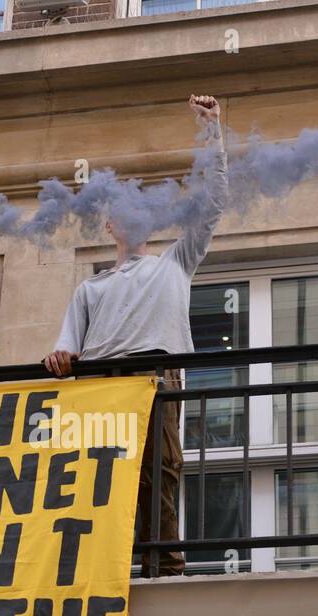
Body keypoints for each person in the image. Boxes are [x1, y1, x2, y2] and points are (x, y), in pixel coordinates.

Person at [44, 94, 228, 577]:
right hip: (101, 380)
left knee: (159, 470)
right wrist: (61, 358)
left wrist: (212, 133)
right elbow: (66, 346)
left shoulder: (175, 262)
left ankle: (164, 565)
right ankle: (98, 565)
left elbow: (213, 204)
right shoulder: (91, 287)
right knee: (97, 472)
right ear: (109, 225)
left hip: (153, 376)